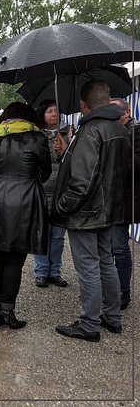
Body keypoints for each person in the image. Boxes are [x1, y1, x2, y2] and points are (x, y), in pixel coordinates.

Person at [53, 81, 131, 342]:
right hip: (108, 210)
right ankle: (112, 317)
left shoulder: (90, 131)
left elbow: (82, 182)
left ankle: (89, 324)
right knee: (106, 263)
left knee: (89, 267)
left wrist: (62, 206)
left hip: (85, 213)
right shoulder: (120, 129)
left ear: (83, 105)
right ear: (108, 101)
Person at [0, 102, 51, 330]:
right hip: (24, 200)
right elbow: (46, 173)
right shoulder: (37, 138)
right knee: (14, 259)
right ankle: (7, 312)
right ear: (29, 117)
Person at [32, 100, 70, 288]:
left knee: (57, 236)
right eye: (49, 111)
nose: (54, 114)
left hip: (61, 191)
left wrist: (66, 149)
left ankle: (54, 271)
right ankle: (40, 272)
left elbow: (75, 161)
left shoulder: (68, 133)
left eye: (56, 110)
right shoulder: (37, 136)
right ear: (42, 115)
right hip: (41, 191)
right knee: (41, 234)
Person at [110, 97, 140, 310]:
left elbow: (136, 164)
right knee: (109, 246)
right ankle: (111, 287)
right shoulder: (109, 131)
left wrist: (111, 156)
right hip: (111, 197)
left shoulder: (136, 131)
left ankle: (123, 291)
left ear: (126, 113)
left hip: (127, 198)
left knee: (119, 246)